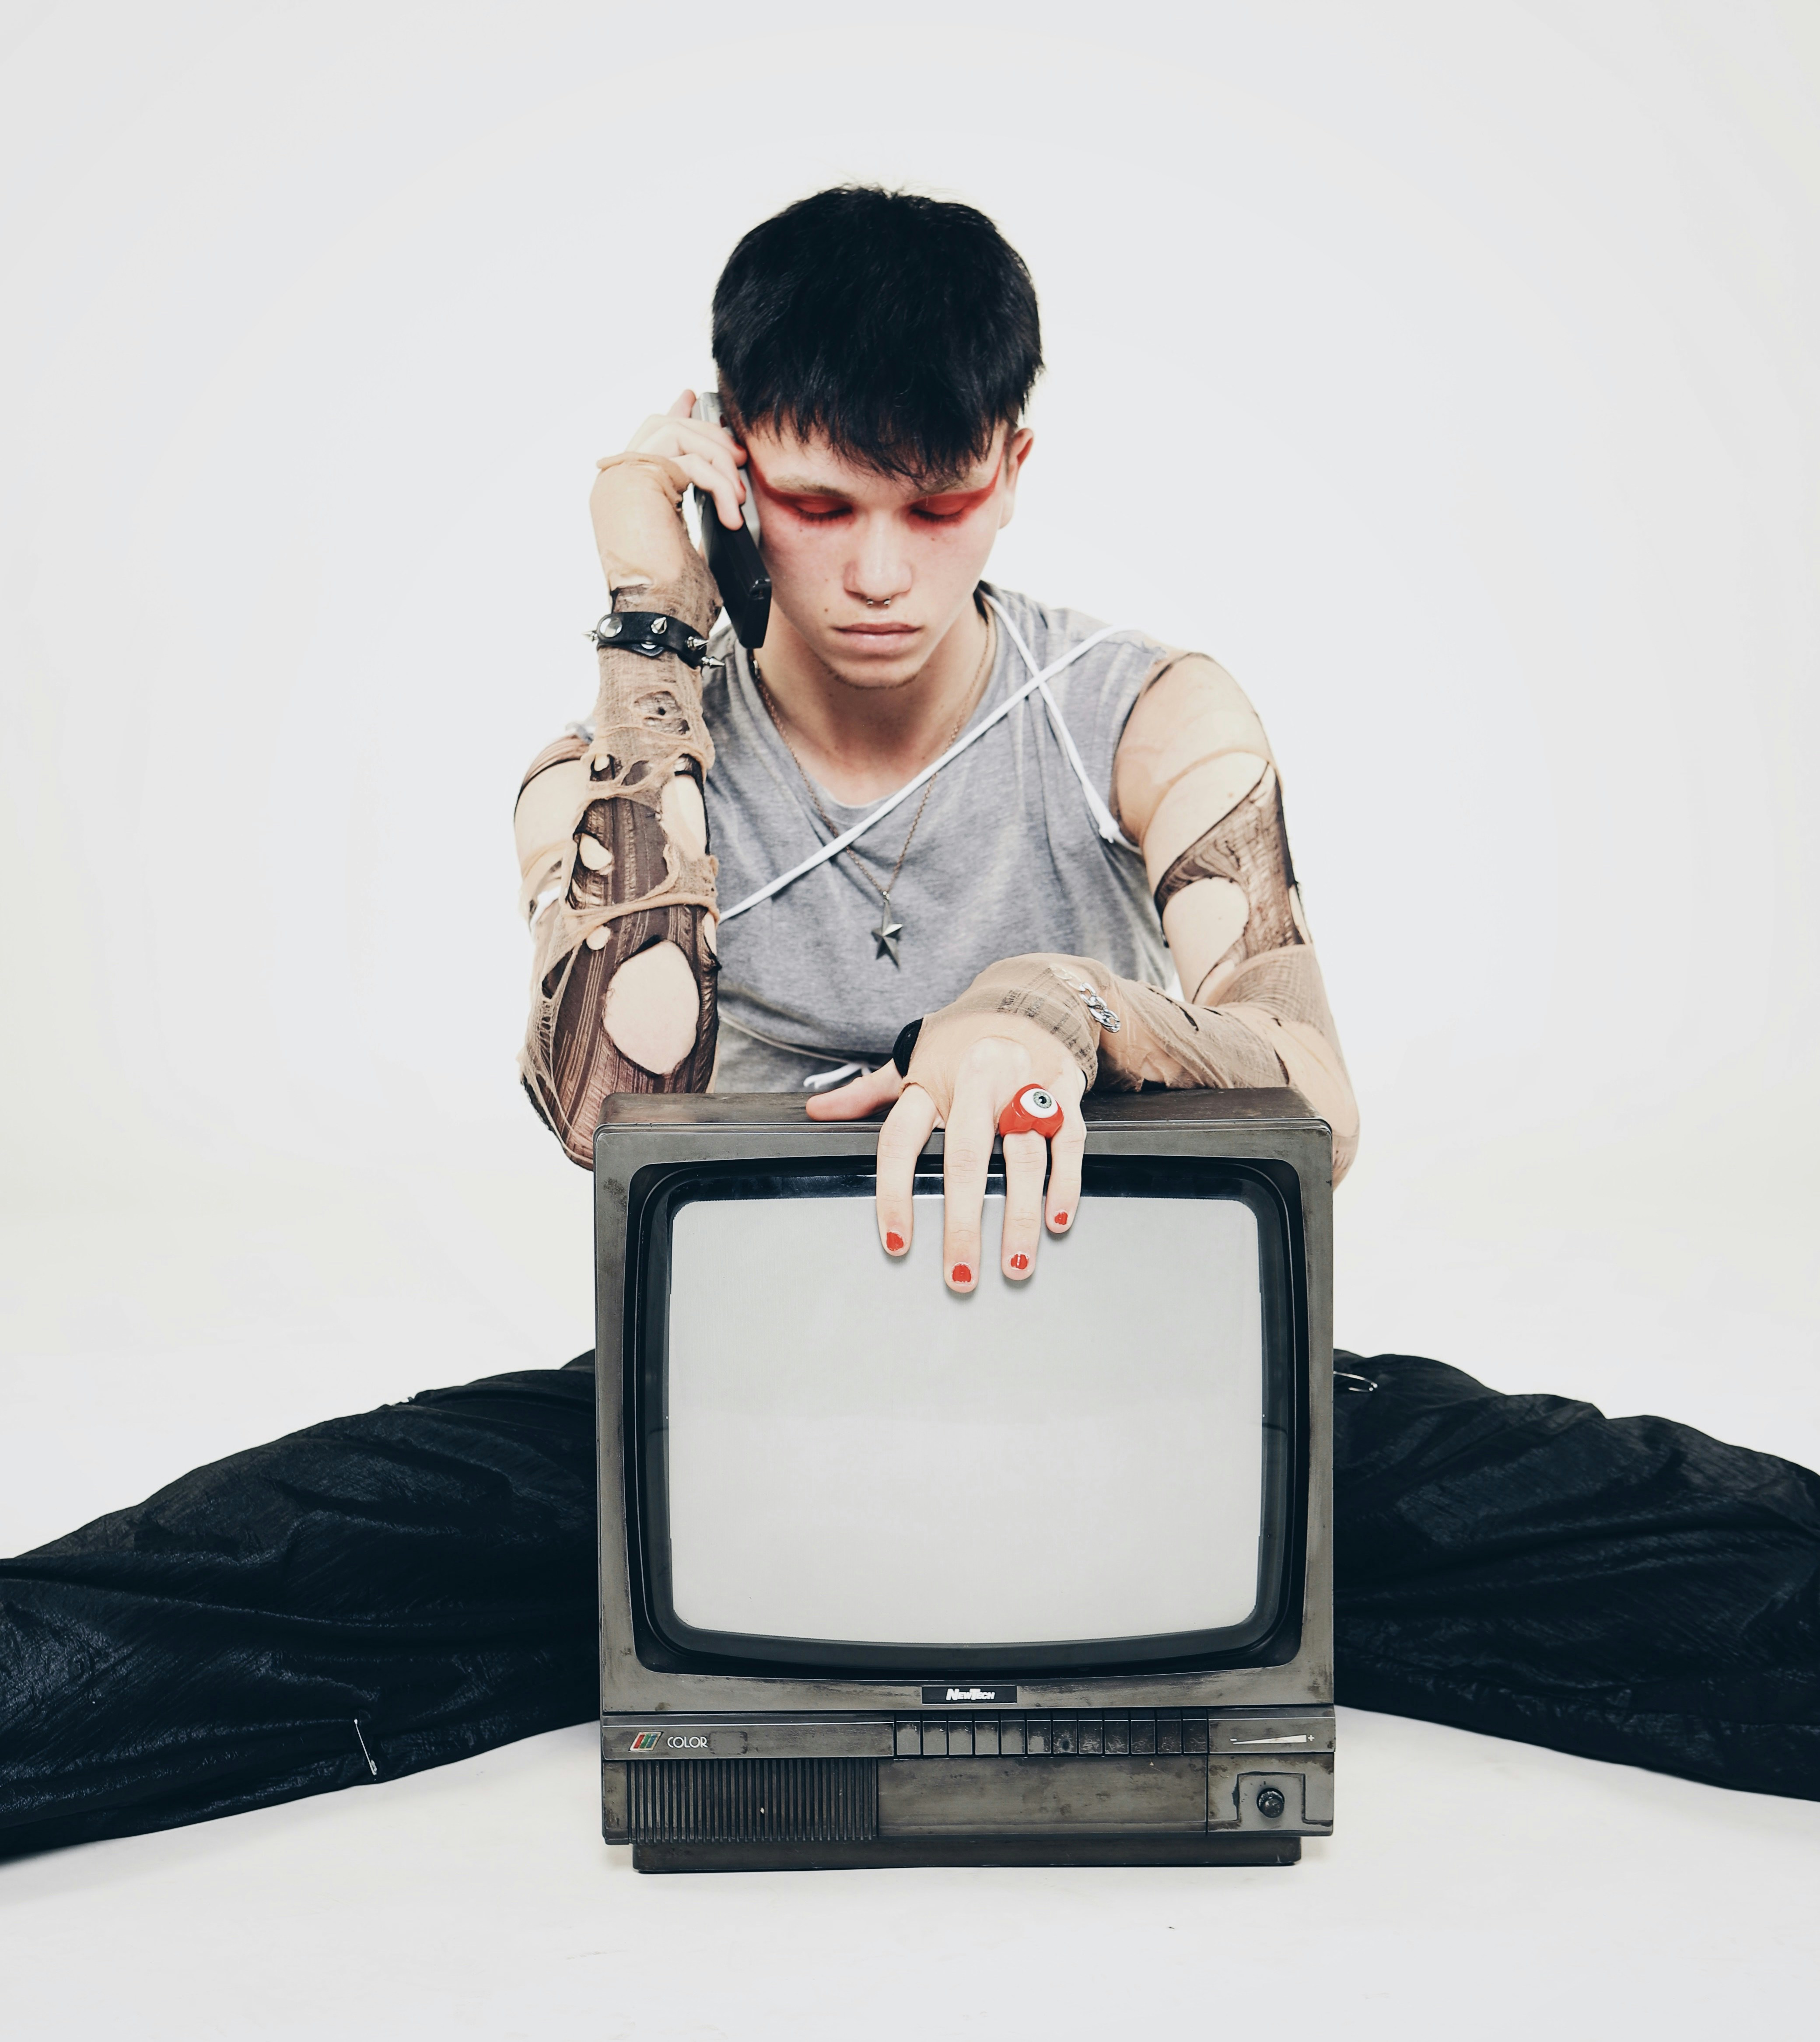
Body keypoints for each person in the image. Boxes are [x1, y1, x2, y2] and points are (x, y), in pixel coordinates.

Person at [2, 190, 1815, 1861]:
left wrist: (1043, 1005)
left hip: (1153, 1399)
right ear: (725, 456)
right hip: (738, 1426)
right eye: (818, 503)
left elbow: (1317, 1101)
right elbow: (605, 1107)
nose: (877, 571)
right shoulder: (620, 767)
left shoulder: (1144, 710)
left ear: (1014, 465)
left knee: (1692, 1546)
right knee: (218, 1583)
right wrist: (649, 615)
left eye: (935, 504)